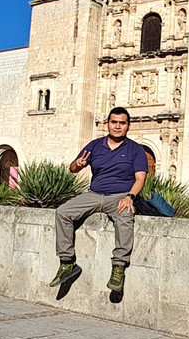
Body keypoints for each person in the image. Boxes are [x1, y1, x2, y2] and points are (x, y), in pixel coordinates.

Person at [51, 107, 148, 292]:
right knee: (63, 212)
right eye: (114, 122)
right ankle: (67, 262)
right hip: (94, 195)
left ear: (128, 126)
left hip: (120, 196)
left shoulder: (135, 150)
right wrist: (77, 165)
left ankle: (118, 267)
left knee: (125, 218)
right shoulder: (95, 145)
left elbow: (140, 178)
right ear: (107, 124)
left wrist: (130, 197)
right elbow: (72, 168)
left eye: (122, 123)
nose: (118, 126)